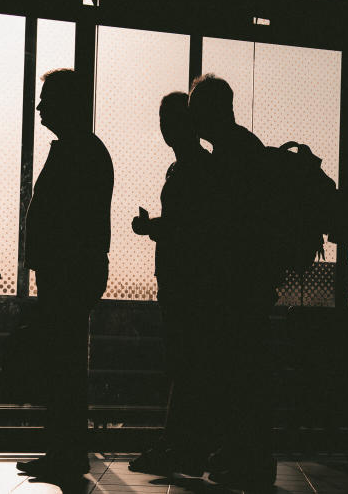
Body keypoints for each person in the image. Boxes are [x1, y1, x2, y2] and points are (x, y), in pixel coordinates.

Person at [16, 69, 113, 480]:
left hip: (66, 272)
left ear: (67, 103)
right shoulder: (86, 150)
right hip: (72, 270)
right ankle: (66, 450)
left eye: (47, 98)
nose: (39, 106)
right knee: (66, 363)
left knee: (65, 364)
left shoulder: (77, 152)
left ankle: (65, 451)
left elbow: (65, 219)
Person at [186, 74, 277, 490]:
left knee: (236, 372)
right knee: (246, 373)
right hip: (248, 285)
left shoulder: (228, 156)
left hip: (234, 287)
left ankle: (244, 456)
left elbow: (222, 228)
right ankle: (246, 456)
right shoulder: (244, 149)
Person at [129, 91, 214, 476]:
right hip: (189, 281)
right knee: (190, 365)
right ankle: (189, 446)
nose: (165, 128)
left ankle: (177, 444)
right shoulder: (195, 166)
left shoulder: (187, 168)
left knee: (184, 363)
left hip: (185, 283)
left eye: (169, 120)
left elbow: (189, 226)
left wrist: (153, 227)